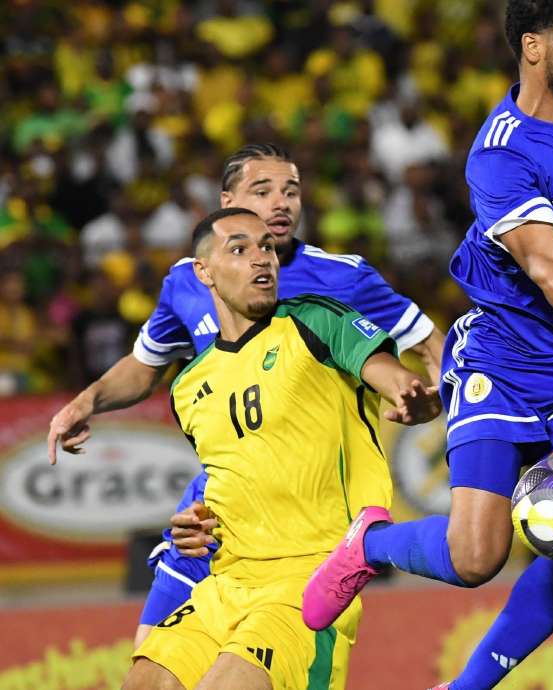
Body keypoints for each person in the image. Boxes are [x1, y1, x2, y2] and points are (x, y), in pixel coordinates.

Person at [300, 3, 553, 689]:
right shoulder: (500, 155)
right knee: (475, 558)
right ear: (534, 47)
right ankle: (370, 542)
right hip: (504, 359)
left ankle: (470, 685)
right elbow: (545, 267)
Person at [45, 142, 446, 648]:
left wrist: (439, 405)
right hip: (215, 511)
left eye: (291, 191)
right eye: (263, 191)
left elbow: (432, 347)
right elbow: (146, 366)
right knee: (150, 655)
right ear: (226, 199)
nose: (281, 203)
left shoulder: (343, 277)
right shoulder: (188, 280)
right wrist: (86, 402)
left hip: (301, 523)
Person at [123, 207, 441, 690]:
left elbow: (386, 371)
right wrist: (200, 521)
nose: (261, 259)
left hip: (310, 583)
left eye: (267, 247)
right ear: (202, 272)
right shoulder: (188, 386)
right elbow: (237, 475)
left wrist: (407, 392)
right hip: (225, 583)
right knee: (142, 683)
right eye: (240, 248)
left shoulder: (316, 321)